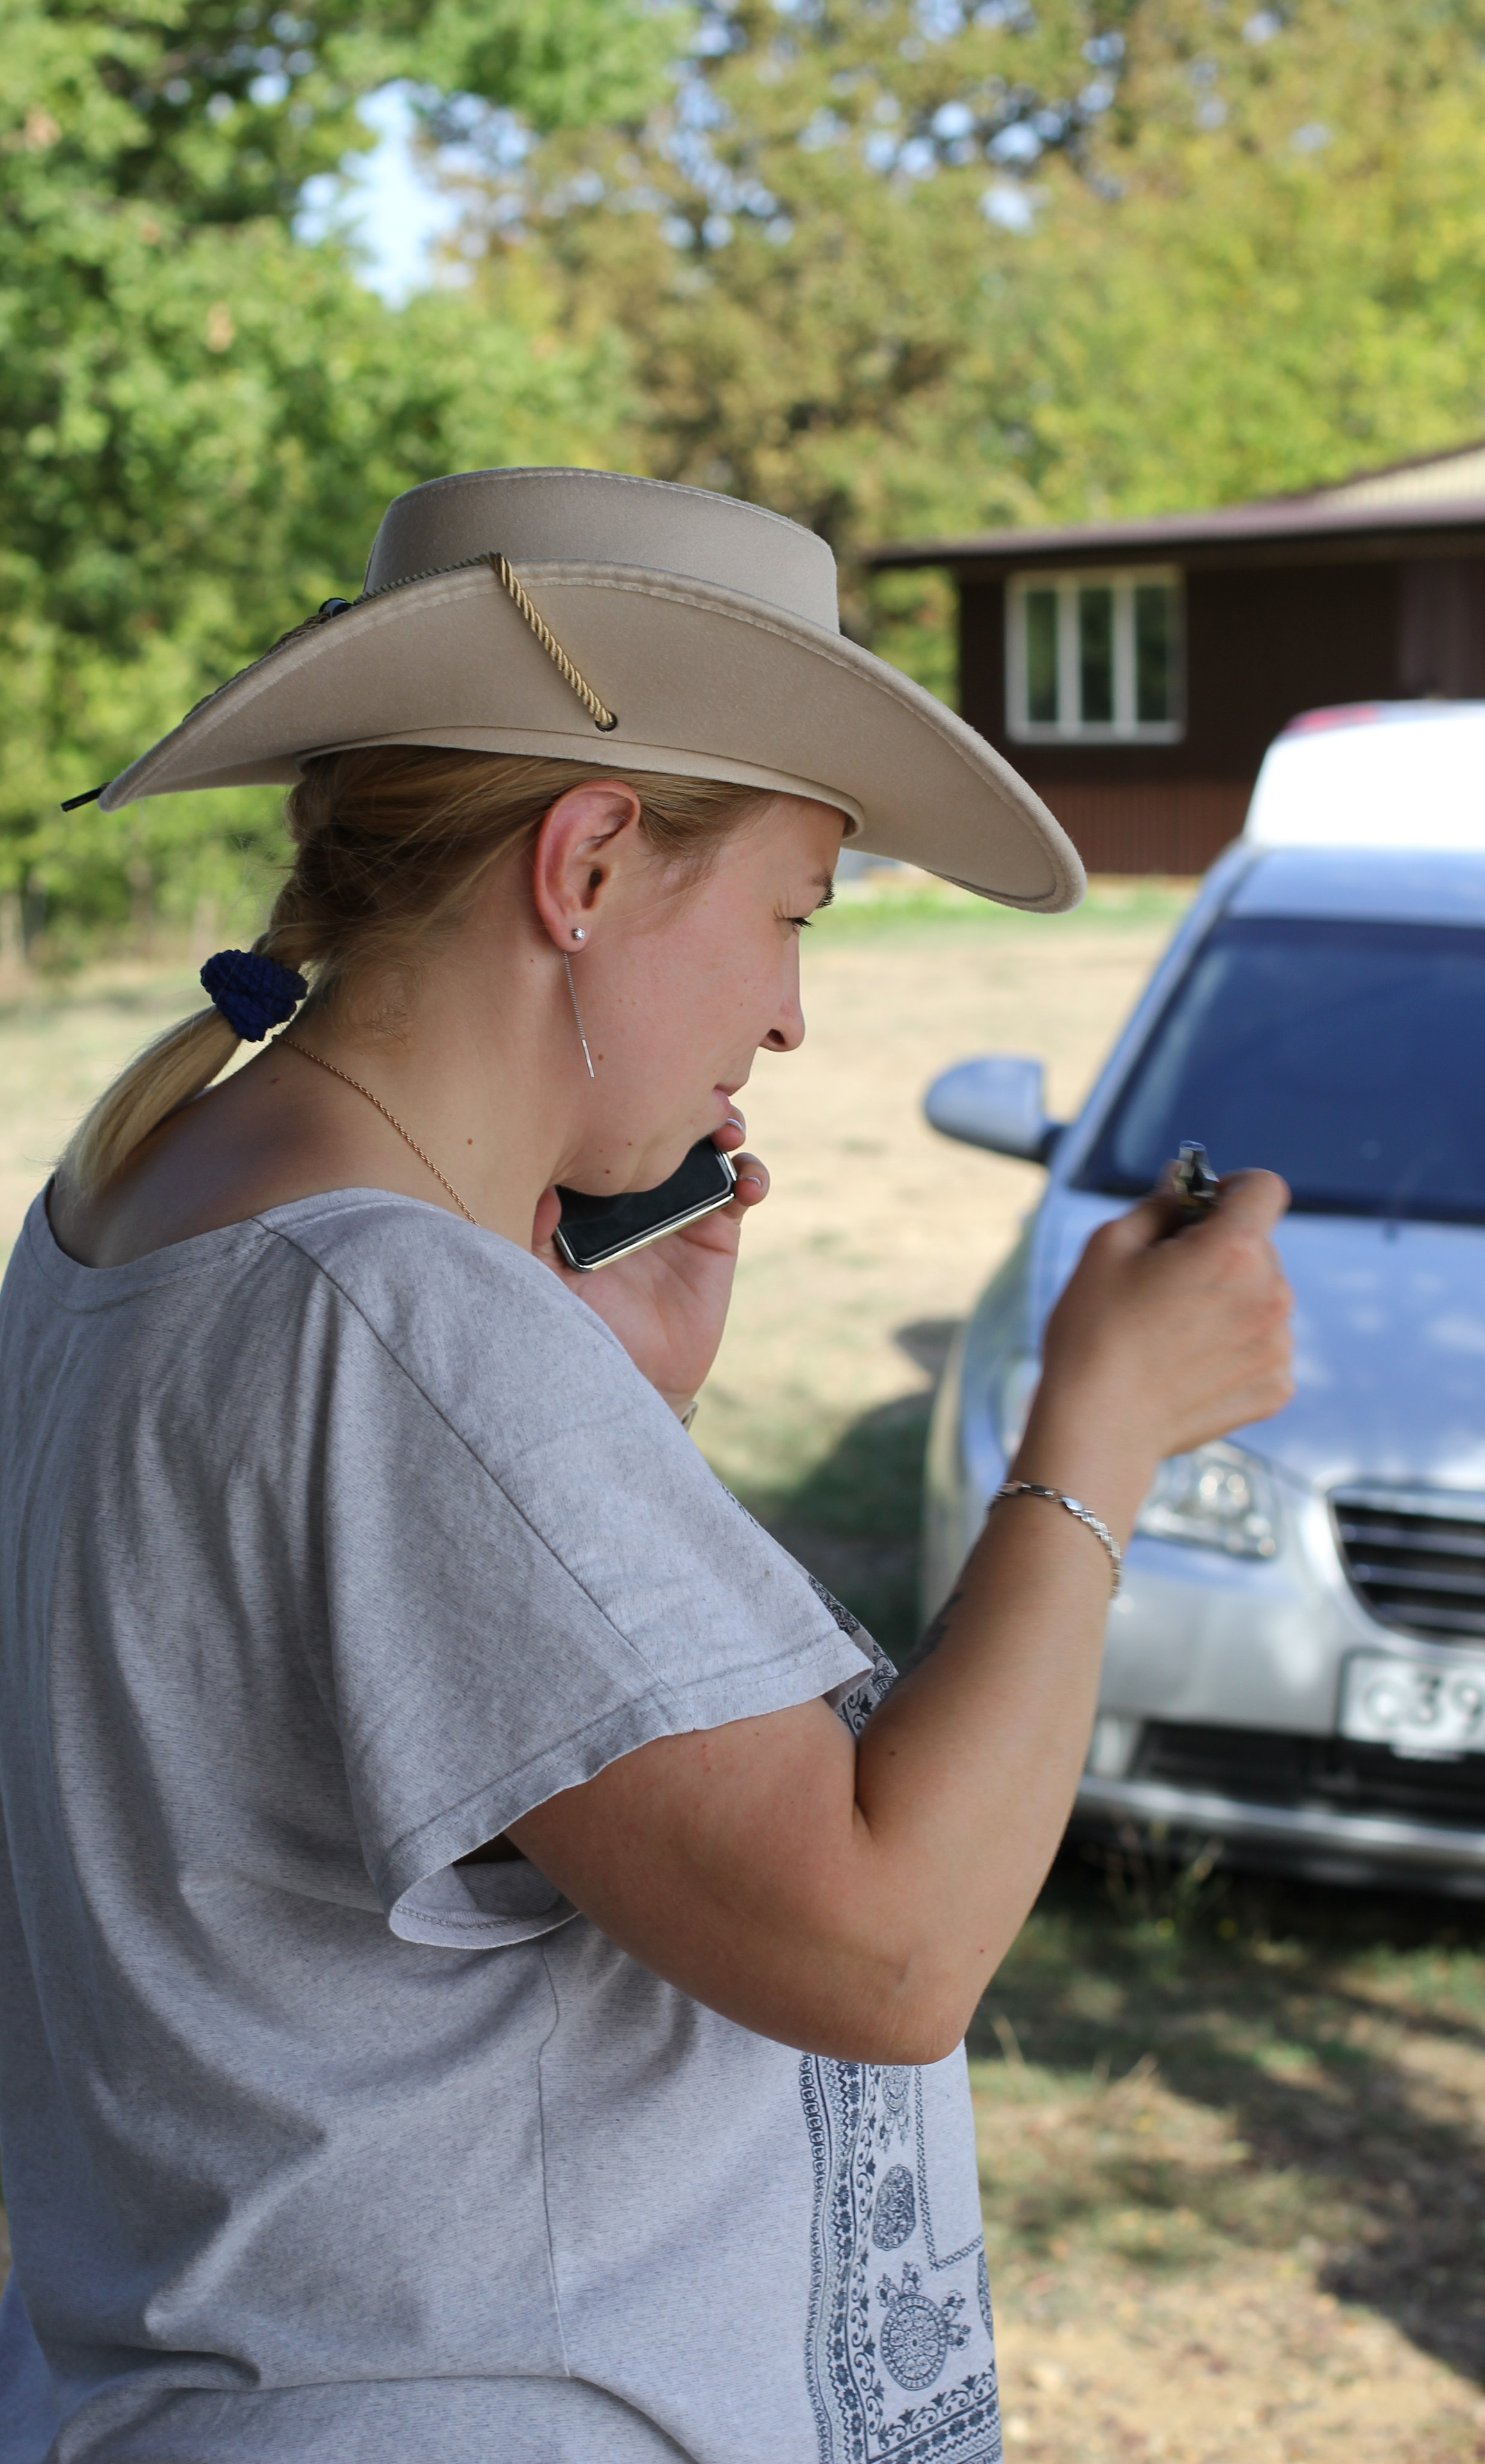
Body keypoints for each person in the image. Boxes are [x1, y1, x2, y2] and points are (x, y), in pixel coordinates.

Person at [0, 468, 1291, 2464]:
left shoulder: (150, 1196)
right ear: (588, 864)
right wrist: (1096, 1434)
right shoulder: (400, 1326)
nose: (785, 1012)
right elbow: (884, 1945)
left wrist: (615, 1421)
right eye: (789, 911)